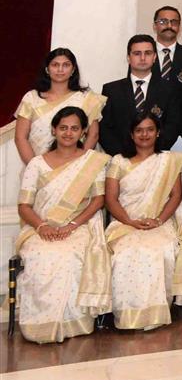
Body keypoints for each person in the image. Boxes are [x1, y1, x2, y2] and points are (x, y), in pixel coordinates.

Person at [14, 107, 111, 343]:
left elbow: (98, 200)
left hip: (79, 225)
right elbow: (24, 206)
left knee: (70, 256)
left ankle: (72, 323)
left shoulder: (92, 162)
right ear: (53, 130)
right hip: (41, 227)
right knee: (41, 257)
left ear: (83, 132)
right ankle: (39, 324)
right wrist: (41, 227)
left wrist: (73, 225)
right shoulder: (36, 164)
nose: (68, 133)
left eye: (75, 128)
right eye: (63, 128)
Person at [105, 114, 182, 330]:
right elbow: (110, 199)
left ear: (158, 132)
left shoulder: (169, 161)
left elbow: (176, 196)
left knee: (157, 250)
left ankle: (154, 314)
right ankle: (127, 314)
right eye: (139, 130)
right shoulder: (118, 161)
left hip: (159, 222)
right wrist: (130, 221)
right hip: (124, 223)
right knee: (126, 253)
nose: (145, 134)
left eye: (150, 129)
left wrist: (159, 220)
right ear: (131, 134)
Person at [14, 48, 105, 164]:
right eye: (55, 65)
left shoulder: (86, 98)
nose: (60, 70)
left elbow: (93, 135)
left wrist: (77, 166)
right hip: (37, 168)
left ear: (73, 70)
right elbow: (20, 137)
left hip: (75, 170)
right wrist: (36, 168)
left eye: (66, 65)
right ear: (47, 69)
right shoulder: (32, 98)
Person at [101, 35, 181, 158]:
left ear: (154, 57)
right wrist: (122, 156)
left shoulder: (169, 90)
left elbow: (172, 126)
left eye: (148, 53)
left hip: (156, 158)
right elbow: (105, 129)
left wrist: (151, 153)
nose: (143, 58)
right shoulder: (111, 90)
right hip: (120, 159)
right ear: (129, 57)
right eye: (137, 53)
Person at [150, 5, 182, 88]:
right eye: (163, 21)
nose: (169, 26)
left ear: (179, 27)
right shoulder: (143, 53)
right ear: (154, 26)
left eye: (174, 22)